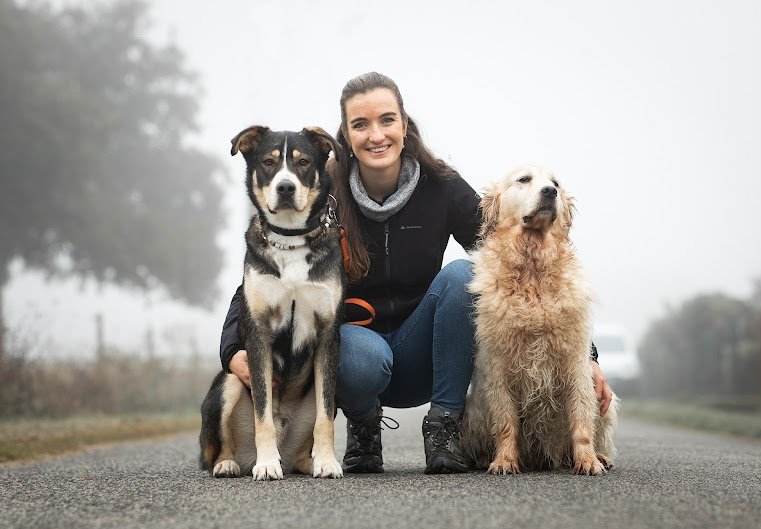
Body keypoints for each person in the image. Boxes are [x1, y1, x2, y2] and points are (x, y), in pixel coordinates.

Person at [219, 72, 613, 475]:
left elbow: (526, 260)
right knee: (358, 352)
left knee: (463, 275)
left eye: (387, 120)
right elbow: (263, 277)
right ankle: (364, 427)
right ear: (346, 137)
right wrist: (233, 350)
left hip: (430, 355)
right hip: (361, 359)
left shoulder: (442, 186)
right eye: (360, 124)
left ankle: (444, 427)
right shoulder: (321, 192)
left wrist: (586, 356)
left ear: (405, 127)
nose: (376, 135)